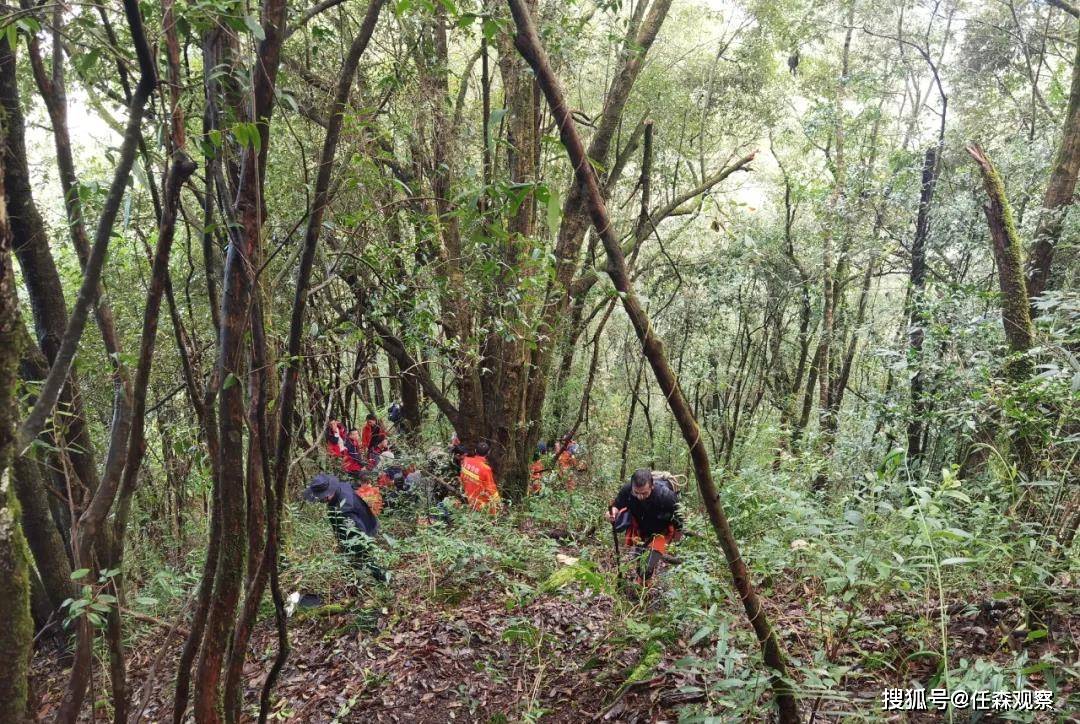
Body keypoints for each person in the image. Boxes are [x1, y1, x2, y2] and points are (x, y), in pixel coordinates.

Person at [302, 473, 387, 582]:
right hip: (366, 519)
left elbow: (358, 533)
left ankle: (383, 580)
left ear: (327, 495)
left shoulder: (344, 510)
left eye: (321, 497)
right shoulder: (341, 486)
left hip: (364, 531)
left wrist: (355, 549)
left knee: (368, 559)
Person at [606, 468, 683, 584]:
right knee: (639, 558)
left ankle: (642, 586)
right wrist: (612, 512)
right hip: (640, 530)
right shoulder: (627, 490)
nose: (640, 497)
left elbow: (679, 517)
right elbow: (617, 504)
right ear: (632, 487)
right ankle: (644, 585)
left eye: (644, 493)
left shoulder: (666, 496)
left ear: (652, 486)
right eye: (636, 493)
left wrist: (678, 537)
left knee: (648, 565)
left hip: (661, 533)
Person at [459, 441, 500, 514]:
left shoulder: (466, 460)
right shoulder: (485, 469)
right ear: (488, 453)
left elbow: (462, 478)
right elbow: (491, 489)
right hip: (480, 504)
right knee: (493, 507)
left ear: (475, 450)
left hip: (468, 497)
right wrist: (499, 503)